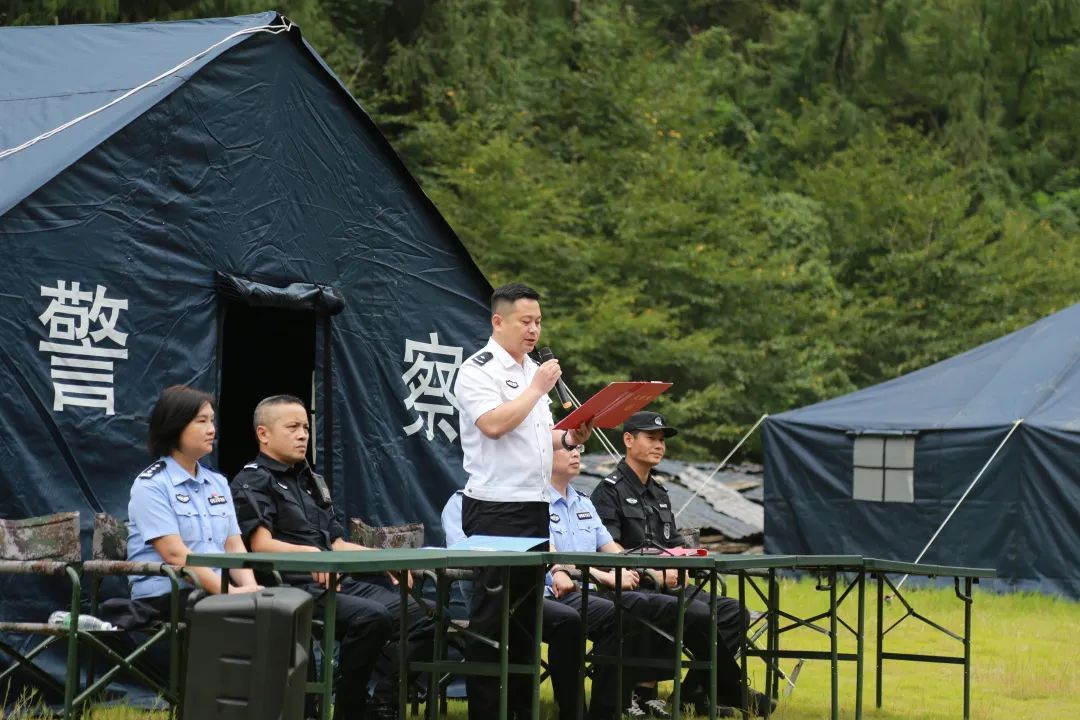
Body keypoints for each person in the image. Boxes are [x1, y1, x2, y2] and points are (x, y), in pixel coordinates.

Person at [230, 394, 431, 720]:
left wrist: (386, 559)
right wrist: (312, 555)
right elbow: (260, 545)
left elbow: (336, 544)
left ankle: (382, 701)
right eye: (293, 427)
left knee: (428, 616)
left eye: (306, 427)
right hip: (292, 587)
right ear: (263, 434)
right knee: (372, 617)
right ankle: (350, 709)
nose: (302, 435)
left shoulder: (311, 481)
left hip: (337, 581)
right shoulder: (252, 480)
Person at [454, 282, 593, 720]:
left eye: (538, 322)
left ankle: (519, 709)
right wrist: (535, 389)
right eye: (525, 321)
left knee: (525, 620)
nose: (534, 330)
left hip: (534, 507)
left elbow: (535, 435)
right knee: (491, 618)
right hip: (495, 507)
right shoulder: (478, 369)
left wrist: (569, 437)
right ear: (498, 321)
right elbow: (494, 425)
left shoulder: (533, 368)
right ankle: (485, 711)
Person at [588, 412, 773, 717]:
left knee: (732, 612)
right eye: (651, 438)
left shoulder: (660, 493)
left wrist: (683, 565)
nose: (659, 445)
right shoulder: (609, 491)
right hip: (631, 587)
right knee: (692, 612)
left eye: (662, 440)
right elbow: (608, 546)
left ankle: (693, 693)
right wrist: (653, 571)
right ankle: (733, 688)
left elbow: (675, 544)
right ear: (628, 440)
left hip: (670, 586)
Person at [546, 445, 674, 720]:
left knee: (650, 603)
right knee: (625, 611)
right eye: (566, 448)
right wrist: (606, 576)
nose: (576, 453)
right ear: (543, 453)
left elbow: (612, 549)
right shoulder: (535, 502)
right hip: (556, 593)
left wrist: (639, 570)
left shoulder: (583, 502)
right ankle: (607, 708)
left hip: (588, 592)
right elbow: (553, 558)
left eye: (578, 447)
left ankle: (617, 702)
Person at [126, 385, 262, 616]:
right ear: (175, 426)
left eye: (212, 421)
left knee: (276, 609)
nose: (212, 430)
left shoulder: (218, 482)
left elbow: (233, 546)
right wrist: (230, 592)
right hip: (167, 595)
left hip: (214, 594)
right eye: (202, 421)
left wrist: (250, 589)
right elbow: (175, 555)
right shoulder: (151, 484)